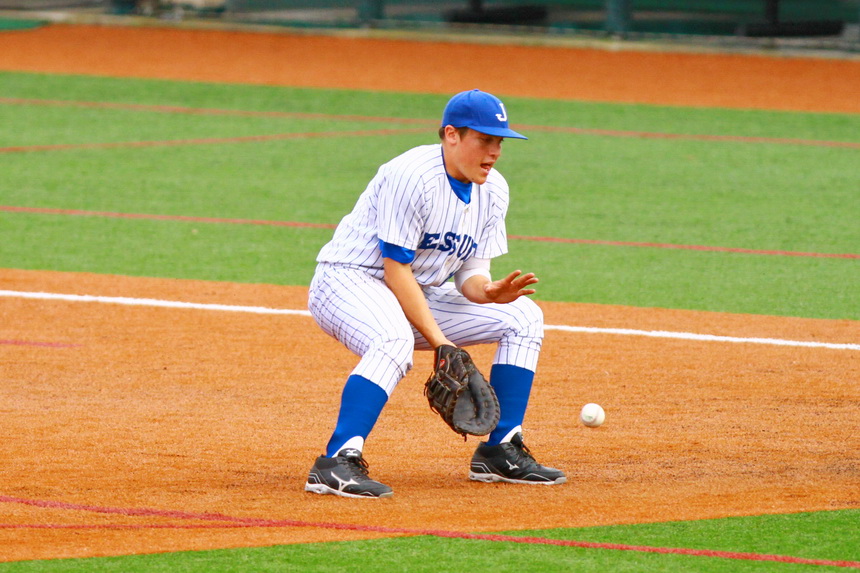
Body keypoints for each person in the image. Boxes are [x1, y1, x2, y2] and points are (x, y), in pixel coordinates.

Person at [304, 89, 565, 499]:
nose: (495, 152)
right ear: (452, 135)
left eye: (499, 142)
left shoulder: (493, 190)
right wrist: (442, 342)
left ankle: (500, 450)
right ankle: (336, 461)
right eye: (485, 139)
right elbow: (395, 268)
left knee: (524, 317)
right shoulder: (411, 175)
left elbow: (470, 272)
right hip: (347, 282)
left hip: (417, 291)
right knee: (393, 340)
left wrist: (488, 292)